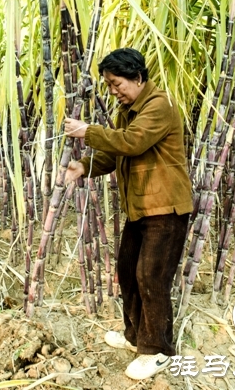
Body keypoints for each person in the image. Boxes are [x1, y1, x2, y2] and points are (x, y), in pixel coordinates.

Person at [63, 48, 192, 380]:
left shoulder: (158, 105)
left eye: (116, 83)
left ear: (137, 77)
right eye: (108, 85)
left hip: (165, 207)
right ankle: (136, 335)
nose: (113, 91)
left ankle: (158, 350)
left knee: (152, 276)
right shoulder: (128, 110)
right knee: (127, 270)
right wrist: (85, 166)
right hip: (141, 207)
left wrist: (87, 132)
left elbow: (132, 142)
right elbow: (120, 153)